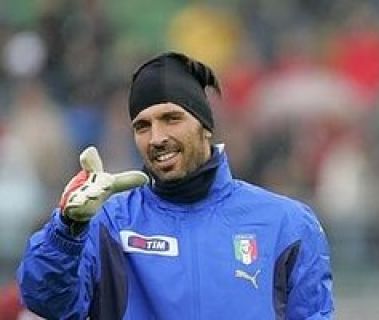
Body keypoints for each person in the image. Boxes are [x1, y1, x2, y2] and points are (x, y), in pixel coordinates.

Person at [16, 52, 334, 319]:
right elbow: (48, 301)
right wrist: (67, 229)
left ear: (205, 126)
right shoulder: (109, 224)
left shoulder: (287, 224)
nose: (156, 138)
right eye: (143, 126)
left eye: (171, 118)